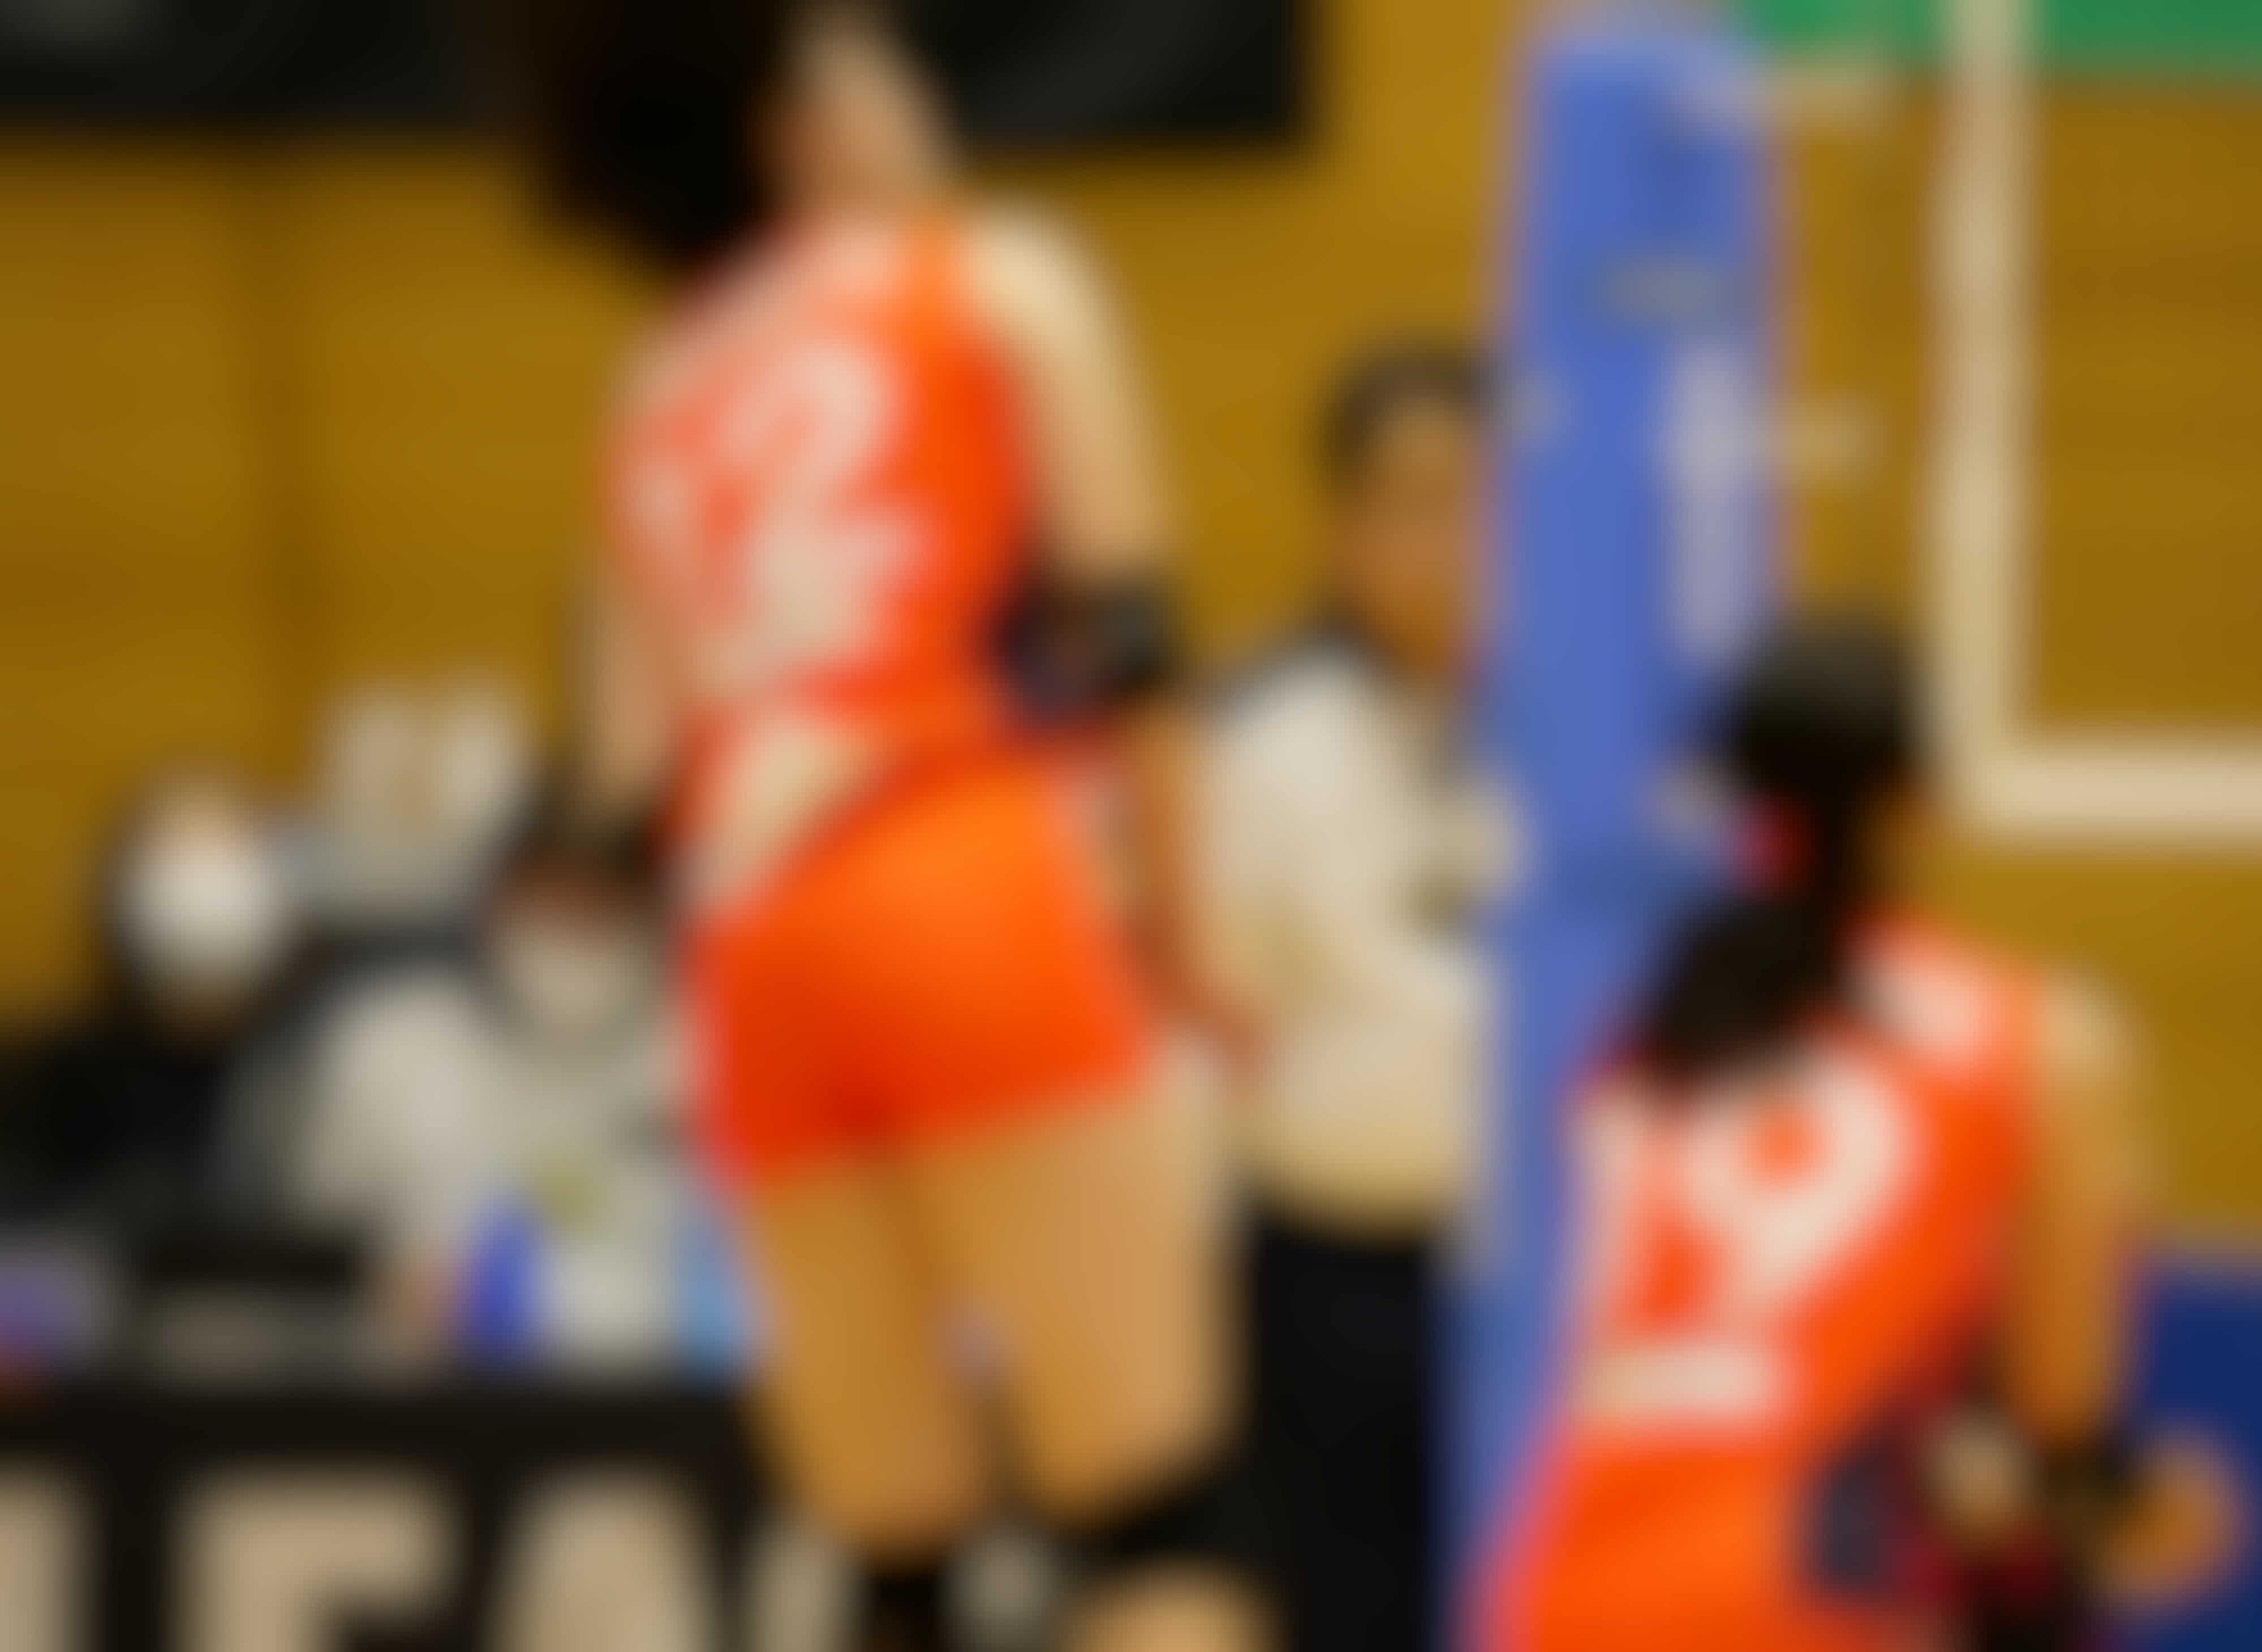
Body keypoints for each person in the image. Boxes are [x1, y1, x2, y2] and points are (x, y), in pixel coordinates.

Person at [475, 2, 1249, 1647]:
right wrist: (1193, 938)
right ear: (797, 117)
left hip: (755, 943)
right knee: (1150, 1505)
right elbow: (1133, 641)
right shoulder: (994, 279)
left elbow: (622, 775)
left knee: (895, 1549)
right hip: (964, 871)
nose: (913, 80)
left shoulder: (657, 380)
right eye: (873, 49)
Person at [1481, 619, 2238, 1652]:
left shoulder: (1641, 1049)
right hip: (1800, 1601)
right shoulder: (2042, 1038)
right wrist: (2136, 1511)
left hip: (1568, 1592)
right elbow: (2059, 1437)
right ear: (1918, 805)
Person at [1201, 342, 1502, 1652]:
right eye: (1416, 502)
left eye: (1482, 501)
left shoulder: (1593, 735)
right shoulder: (1249, 739)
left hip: (1541, 1282)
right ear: (1343, 526)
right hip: (1327, 1287)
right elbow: (1200, 1043)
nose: (1454, 542)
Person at [287, 789, 696, 1367]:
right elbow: (305, 1253)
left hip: (659, 1400)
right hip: (414, 1398)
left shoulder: (707, 1056)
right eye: (545, 905)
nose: (568, 935)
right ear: (492, 905)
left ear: (652, 916)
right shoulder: (388, 1044)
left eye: (595, 907)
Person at [0, 768, 307, 1233]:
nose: (204, 892)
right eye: (178, 862)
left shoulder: (319, 1090)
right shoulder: (42, 1094)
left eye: (226, 860)